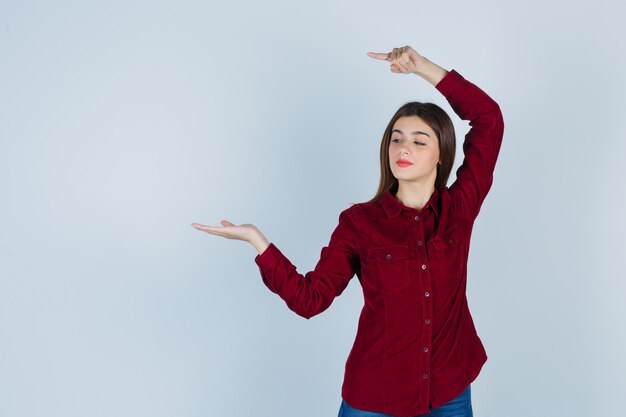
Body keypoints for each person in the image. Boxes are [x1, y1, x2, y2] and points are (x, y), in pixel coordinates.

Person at [192, 45, 504, 417]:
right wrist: (258, 242)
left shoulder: (458, 210)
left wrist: (423, 68)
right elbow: (311, 299)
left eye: (419, 141)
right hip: (376, 400)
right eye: (397, 138)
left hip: (449, 392)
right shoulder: (360, 223)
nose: (404, 147)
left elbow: (489, 118)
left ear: (442, 154)